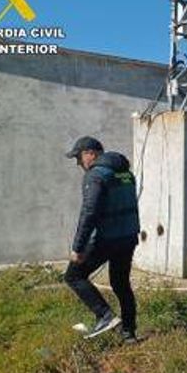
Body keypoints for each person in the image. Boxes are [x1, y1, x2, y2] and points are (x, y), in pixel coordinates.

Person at [64, 136, 140, 342]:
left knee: (74, 276)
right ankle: (129, 333)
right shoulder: (126, 173)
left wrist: (78, 247)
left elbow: (89, 212)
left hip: (106, 239)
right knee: (121, 283)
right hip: (128, 237)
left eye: (78, 158)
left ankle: (105, 315)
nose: (79, 164)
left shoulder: (95, 175)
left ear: (90, 153)